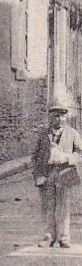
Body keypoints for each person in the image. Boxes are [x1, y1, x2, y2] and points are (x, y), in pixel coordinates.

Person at [33, 102, 82, 248]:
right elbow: (35, 156)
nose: (59, 119)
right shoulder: (43, 135)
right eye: (55, 116)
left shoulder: (73, 134)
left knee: (63, 206)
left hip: (65, 173)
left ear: (65, 117)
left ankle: (64, 237)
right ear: (50, 117)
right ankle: (48, 236)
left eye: (62, 116)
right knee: (48, 206)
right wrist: (37, 174)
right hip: (47, 174)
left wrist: (67, 158)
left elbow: (79, 153)